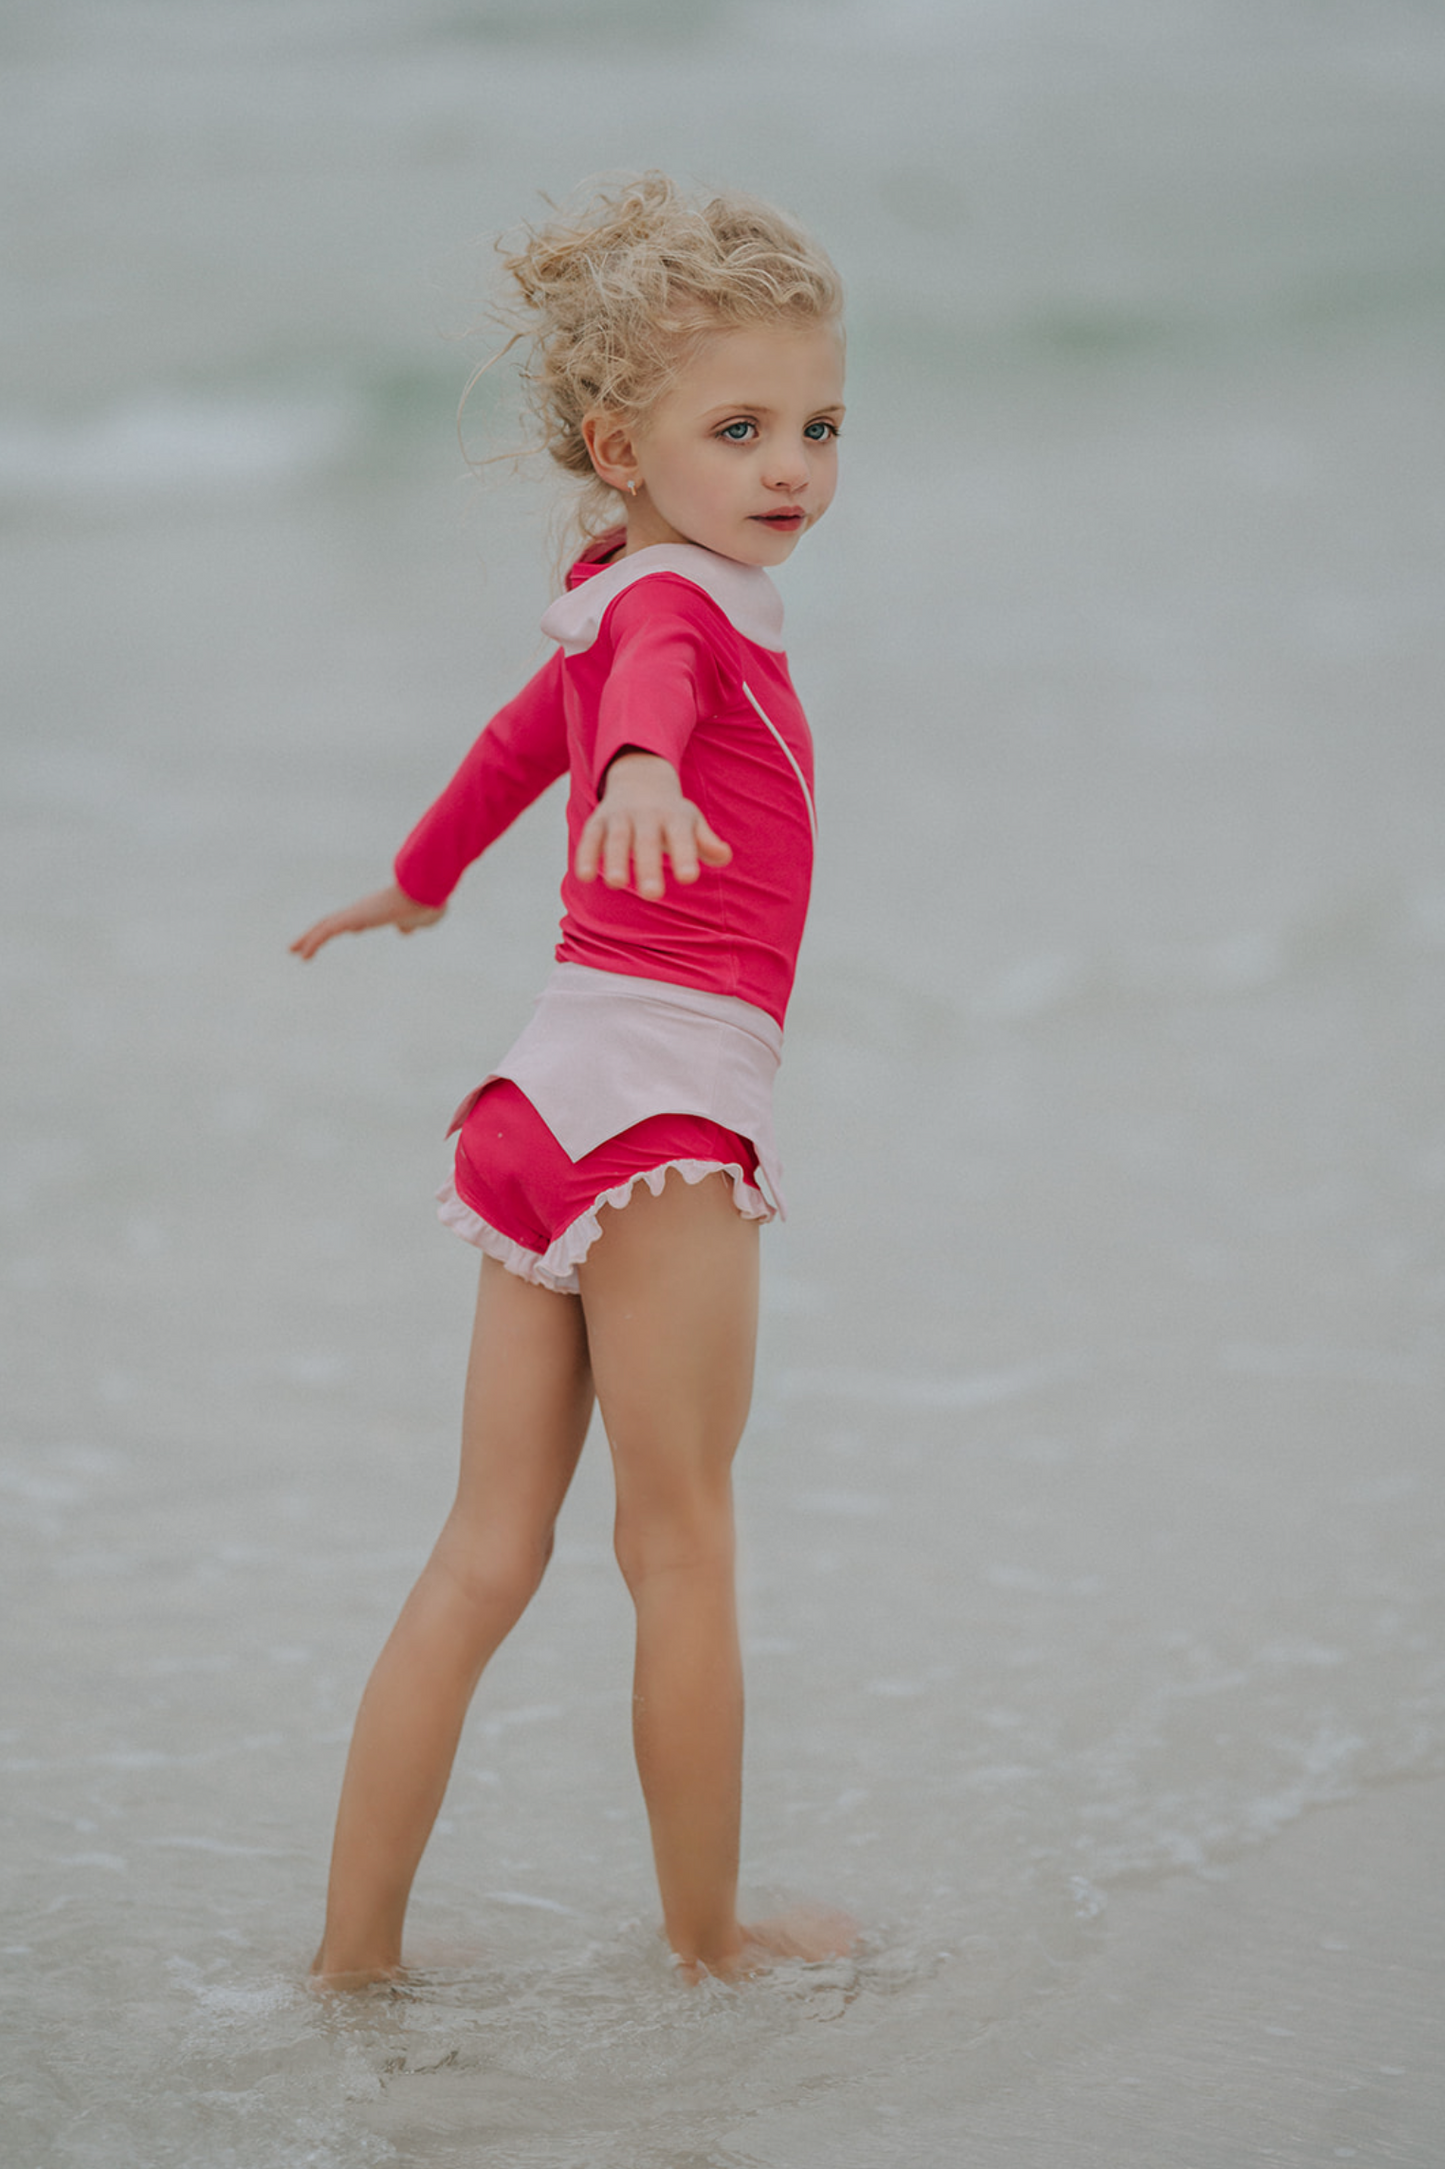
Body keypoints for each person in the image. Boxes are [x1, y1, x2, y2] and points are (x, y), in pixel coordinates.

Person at [292, 173, 852, 1988]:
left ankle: (352, 1959)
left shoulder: (601, 596)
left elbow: (512, 739)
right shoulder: (676, 616)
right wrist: (635, 777)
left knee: (482, 1553)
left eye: (819, 425)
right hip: (662, 1120)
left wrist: (423, 877)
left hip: (539, 1112)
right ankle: (712, 1943)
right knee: (679, 1549)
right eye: (741, 427)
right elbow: (623, 727)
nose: (792, 466)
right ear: (620, 442)